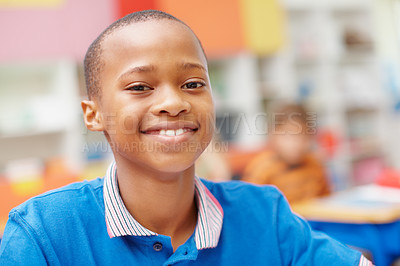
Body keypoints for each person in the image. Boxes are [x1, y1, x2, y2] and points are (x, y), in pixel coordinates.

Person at [0, 10, 371, 265]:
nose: (174, 103)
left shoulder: (265, 215)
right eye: (141, 86)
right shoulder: (42, 234)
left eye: (193, 84)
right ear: (94, 114)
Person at [243, 103, 331, 204]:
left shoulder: (314, 164)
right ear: (273, 134)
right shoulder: (262, 169)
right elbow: (250, 205)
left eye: (303, 137)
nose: (296, 144)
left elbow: (326, 201)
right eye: (288, 137)